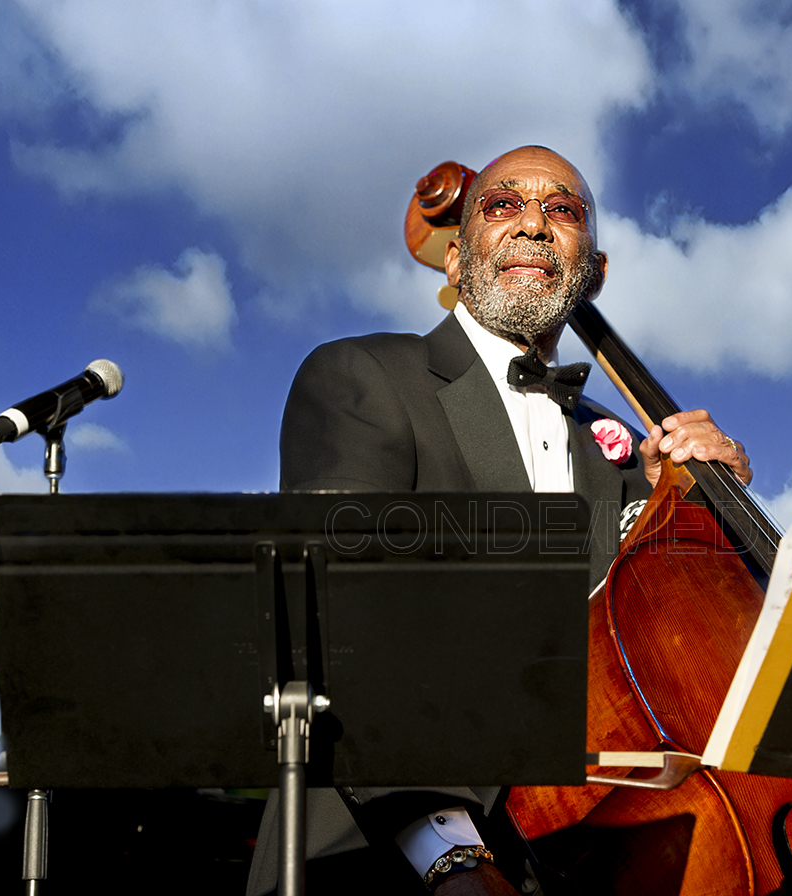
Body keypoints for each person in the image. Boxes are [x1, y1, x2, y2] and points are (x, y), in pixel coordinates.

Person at [247, 146, 751, 895]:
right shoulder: (364, 375)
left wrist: (703, 516)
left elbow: (648, 654)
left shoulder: (621, 449)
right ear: (454, 262)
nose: (535, 225)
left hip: (586, 853)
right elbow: (340, 621)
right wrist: (449, 851)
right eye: (502, 205)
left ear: (595, 273)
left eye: (563, 209)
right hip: (391, 855)